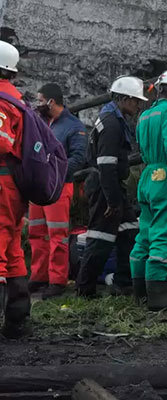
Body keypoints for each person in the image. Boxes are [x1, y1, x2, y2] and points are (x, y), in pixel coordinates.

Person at [76, 76, 147, 297]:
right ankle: (85, 288)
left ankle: (123, 281)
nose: (138, 106)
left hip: (109, 185)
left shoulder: (110, 118)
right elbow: (106, 164)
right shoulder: (112, 124)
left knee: (130, 230)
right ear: (124, 99)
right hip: (105, 186)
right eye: (135, 101)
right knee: (101, 237)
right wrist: (113, 201)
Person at [129, 70, 167, 310]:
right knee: (165, 233)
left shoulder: (144, 115)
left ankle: (140, 294)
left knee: (144, 234)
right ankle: (158, 297)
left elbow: (143, 151)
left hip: (147, 177)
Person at [28, 83, 86, 299]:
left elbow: (78, 157)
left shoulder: (73, 126)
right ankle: (39, 275)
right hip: (38, 187)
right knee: (37, 232)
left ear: (52, 101)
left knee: (57, 235)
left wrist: (56, 174)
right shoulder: (40, 122)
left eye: (41, 100)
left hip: (59, 188)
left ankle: (57, 280)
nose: (38, 104)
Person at [0, 41, 31, 338]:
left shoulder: (0, 101)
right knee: (11, 250)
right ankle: (18, 321)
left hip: (1, 183)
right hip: (13, 185)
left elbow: (1, 141)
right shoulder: (15, 97)